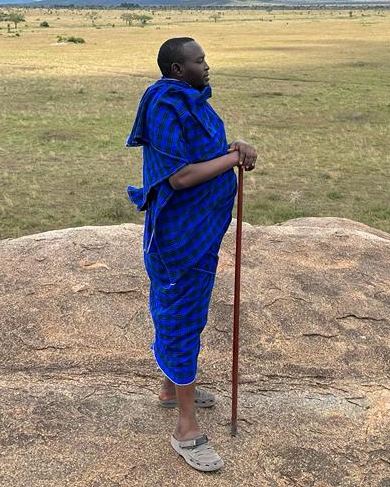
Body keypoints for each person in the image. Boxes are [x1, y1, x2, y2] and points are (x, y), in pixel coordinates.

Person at [126, 37, 257, 473]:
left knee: (189, 316)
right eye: (199, 60)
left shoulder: (193, 102)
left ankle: (170, 388)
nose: (207, 65)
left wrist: (231, 148)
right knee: (180, 320)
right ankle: (186, 429)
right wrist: (234, 159)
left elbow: (204, 154)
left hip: (201, 235)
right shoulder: (165, 104)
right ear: (178, 70)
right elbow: (180, 177)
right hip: (178, 239)